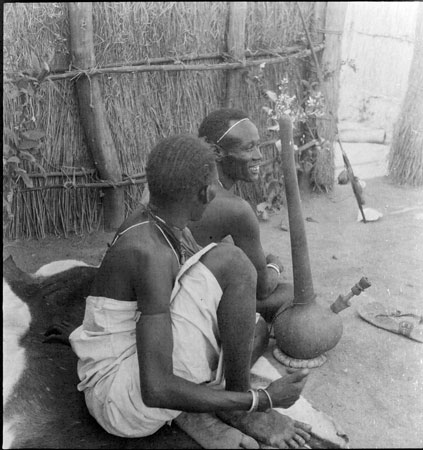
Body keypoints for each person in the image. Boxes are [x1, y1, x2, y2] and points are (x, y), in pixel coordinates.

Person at [69, 134, 311, 449]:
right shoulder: (150, 253)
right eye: (213, 184)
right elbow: (154, 389)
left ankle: (198, 406)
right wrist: (260, 399)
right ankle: (238, 410)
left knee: (253, 329)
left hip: (131, 371)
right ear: (204, 192)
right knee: (232, 262)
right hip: (120, 401)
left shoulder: (160, 219)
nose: (216, 191)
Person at [187, 108, 293, 322]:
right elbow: (262, 289)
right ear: (217, 152)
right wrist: (274, 266)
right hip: (189, 302)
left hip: (175, 286)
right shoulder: (235, 208)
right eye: (249, 148)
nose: (259, 156)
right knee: (291, 294)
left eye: (258, 145)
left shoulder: (193, 179)